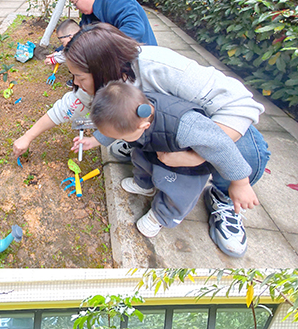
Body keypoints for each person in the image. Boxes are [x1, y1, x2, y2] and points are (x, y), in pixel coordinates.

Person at [17, 25, 269, 258]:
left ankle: (223, 199)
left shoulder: (159, 66)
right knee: (143, 152)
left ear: (101, 67)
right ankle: (147, 168)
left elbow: (240, 104)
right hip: (165, 132)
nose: (75, 83)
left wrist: (198, 158)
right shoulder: (103, 79)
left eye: (79, 77)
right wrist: (27, 137)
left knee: (246, 157)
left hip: (210, 125)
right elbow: (66, 107)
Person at [91, 81, 261, 247]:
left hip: (187, 164)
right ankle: (144, 184)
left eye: (122, 137)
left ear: (144, 125)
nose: (119, 140)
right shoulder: (131, 110)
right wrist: (95, 139)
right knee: (141, 161)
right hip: (153, 146)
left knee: (178, 191)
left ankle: (162, 215)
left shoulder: (187, 126)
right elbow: (115, 127)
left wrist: (241, 183)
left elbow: (222, 145)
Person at [66, 0, 158, 47]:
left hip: (143, 62)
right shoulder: (89, 13)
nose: (76, 8)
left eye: (75, 3)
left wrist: (100, 44)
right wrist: (62, 52)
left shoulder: (117, 0)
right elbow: (82, 36)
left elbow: (135, 28)